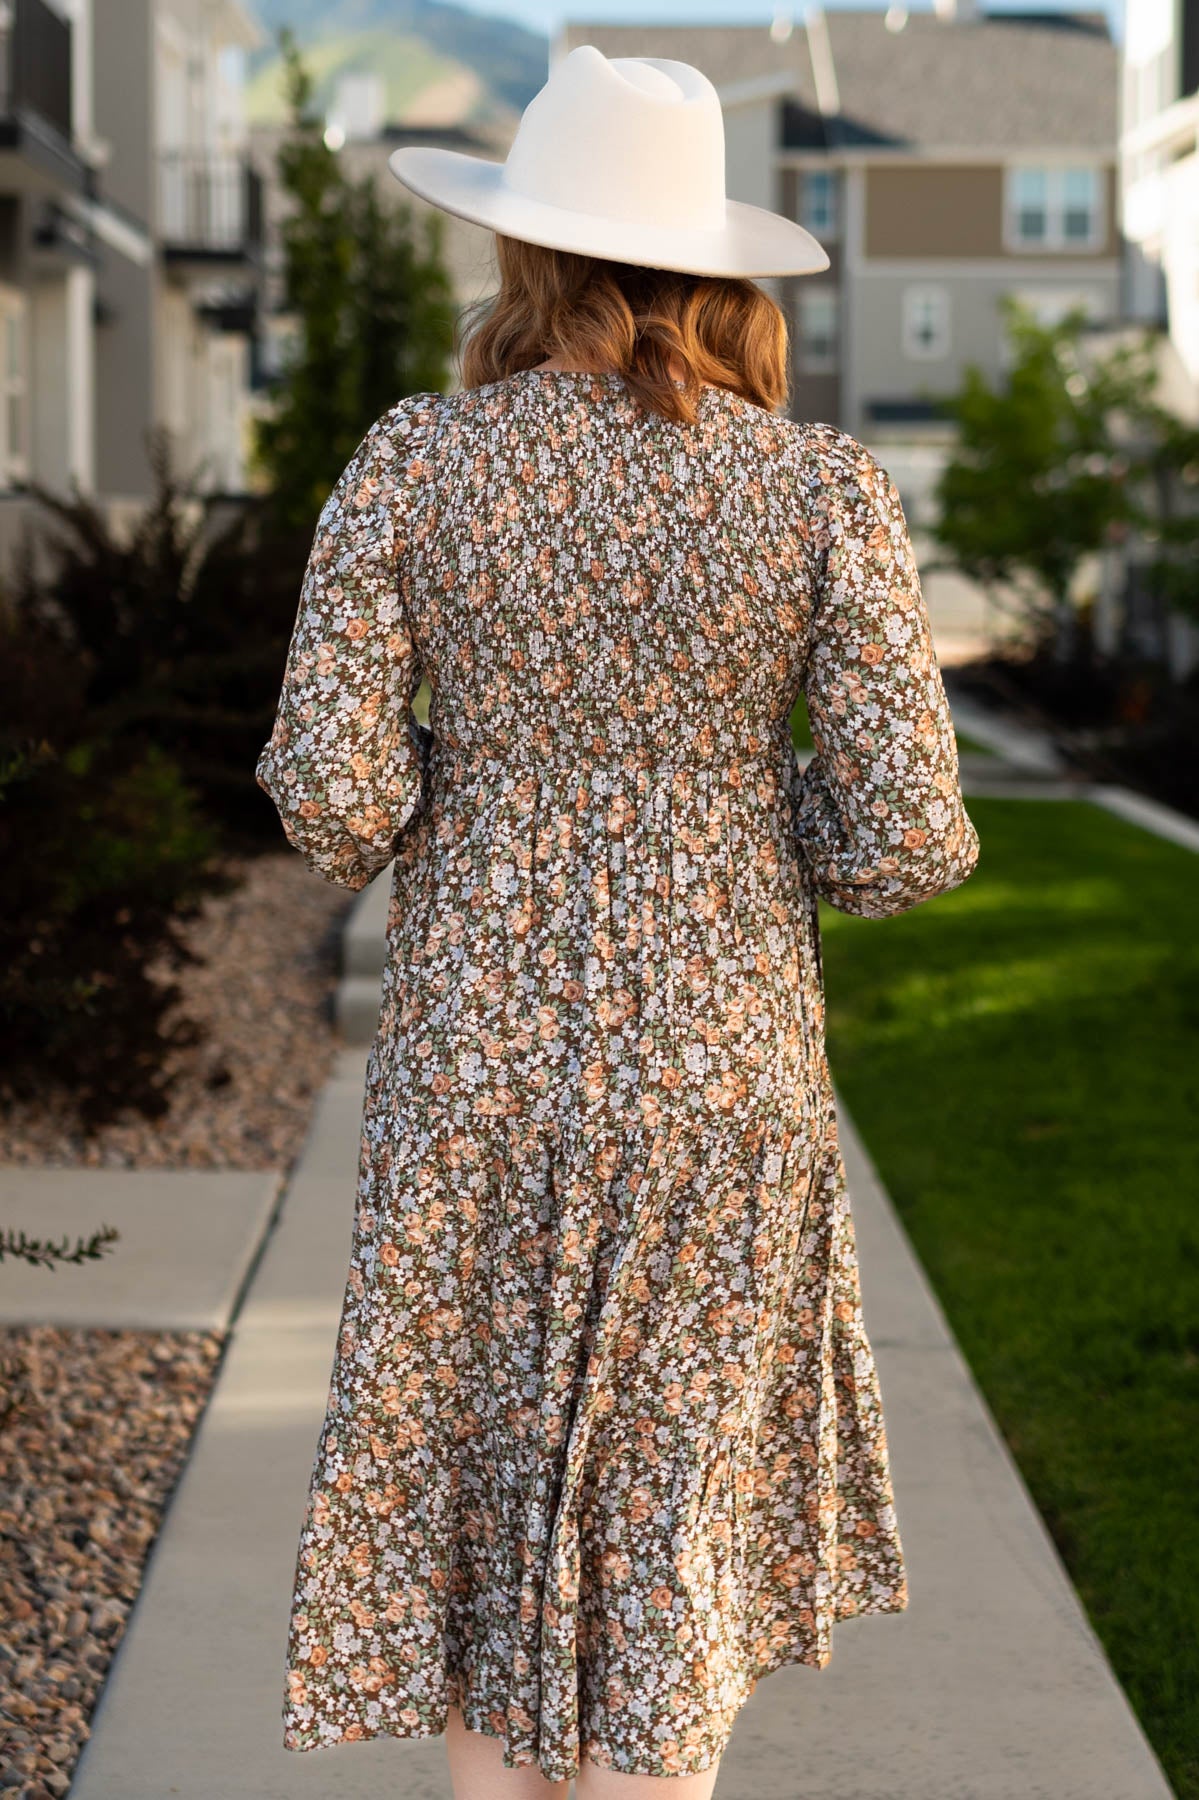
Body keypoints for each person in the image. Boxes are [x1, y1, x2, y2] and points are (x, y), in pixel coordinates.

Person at [256, 43, 981, 1800]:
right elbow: (908, 840)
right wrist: (733, 825)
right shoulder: (818, 494)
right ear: (712, 265)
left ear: (529, 250)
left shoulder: (417, 462)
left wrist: (491, 801)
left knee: (491, 1551)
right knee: (667, 1555)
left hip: (475, 1076)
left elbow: (333, 803)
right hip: (718, 1078)